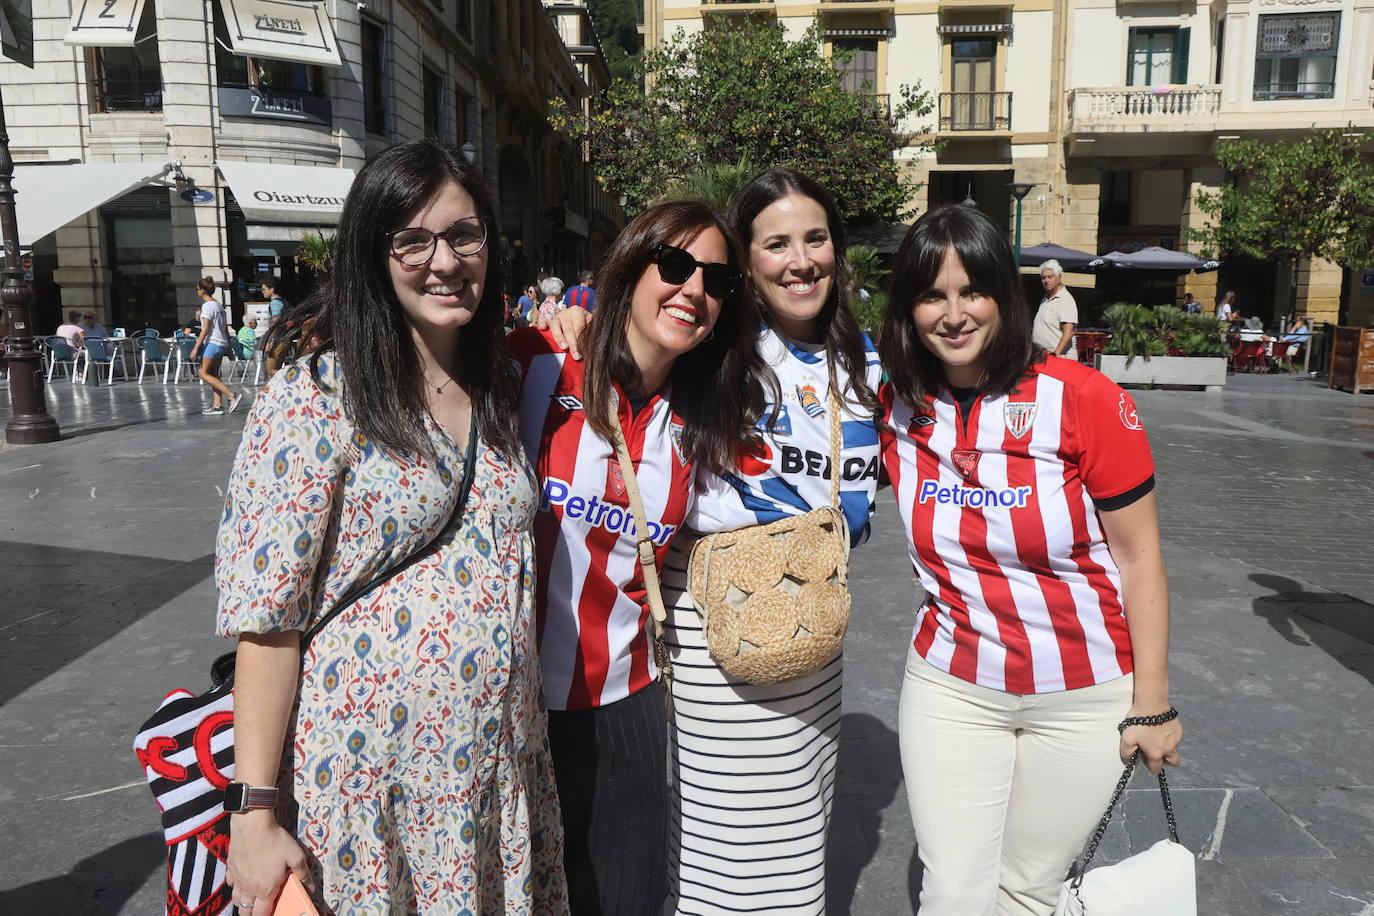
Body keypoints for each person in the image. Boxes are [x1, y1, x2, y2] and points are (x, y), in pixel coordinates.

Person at [216, 139, 568, 915]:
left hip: (496, 773)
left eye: (464, 235)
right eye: (412, 241)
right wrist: (254, 812)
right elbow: (269, 621)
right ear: (374, 255)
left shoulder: (504, 385)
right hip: (368, 789)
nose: (444, 261)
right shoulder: (314, 397)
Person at [546, 169, 884, 915]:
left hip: (812, 634)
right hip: (714, 636)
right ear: (749, 265)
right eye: (776, 244)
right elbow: (636, 342)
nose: (800, 260)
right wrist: (577, 317)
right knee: (716, 846)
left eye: (816, 239)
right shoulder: (719, 356)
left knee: (798, 843)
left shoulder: (870, 365)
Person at [877, 204, 1182, 915]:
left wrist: (1153, 703)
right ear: (909, 309)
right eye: (932, 295)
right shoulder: (894, 402)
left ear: (1003, 295)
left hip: (1084, 694)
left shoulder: (1085, 399)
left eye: (973, 291)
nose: (954, 315)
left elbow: (1141, 560)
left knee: (1028, 889)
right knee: (952, 891)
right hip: (952, 687)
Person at [511, 199, 763, 916]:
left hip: (625, 705)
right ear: (630, 267)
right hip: (506, 707)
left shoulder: (703, 416)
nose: (694, 290)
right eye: (676, 265)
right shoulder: (535, 363)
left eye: (717, 280)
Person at [190, 277, 242, 416]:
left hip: (213, 343)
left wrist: (196, 347)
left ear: (203, 290)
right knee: (213, 374)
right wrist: (229, 348)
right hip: (221, 343)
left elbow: (205, 329)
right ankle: (217, 405)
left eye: (197, 289)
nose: (196, 291)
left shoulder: (207, 306)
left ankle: (231, 395)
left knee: (202, 373)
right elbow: (224, 329)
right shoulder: (219, 306)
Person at [1032, 259, 1077, 359]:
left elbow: (1069, 331)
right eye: (1043, 278)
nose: (1046, 281)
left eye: (1050, 277)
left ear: (1059, 278)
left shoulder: (1065, 299)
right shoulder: (1045, 298)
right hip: (1043, 357)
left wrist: (1056, 354)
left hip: (1059, 358)